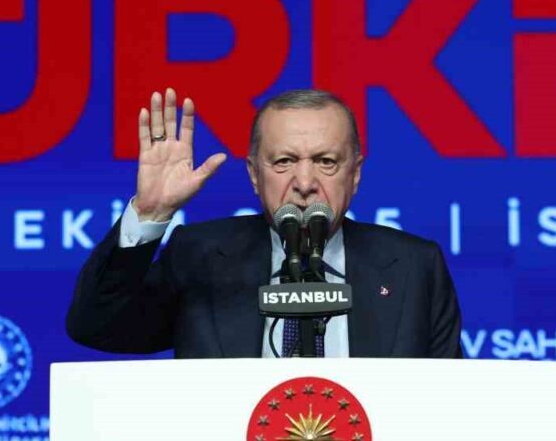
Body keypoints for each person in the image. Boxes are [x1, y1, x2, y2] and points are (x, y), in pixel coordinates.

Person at [65, 87, 462, 358]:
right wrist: (150, 214)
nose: (304, 183)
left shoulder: (414, 266)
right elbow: (95, 326)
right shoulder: (200, 256)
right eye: (284, 161)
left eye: (326, 161)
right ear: (254, 174)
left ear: (355, 174)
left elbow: (449, 406)